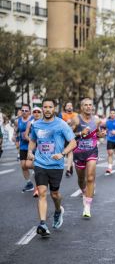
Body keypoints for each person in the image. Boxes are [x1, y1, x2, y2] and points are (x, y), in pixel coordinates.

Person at [27, 99, 76, 237]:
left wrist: (62, 154)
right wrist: (30, 152)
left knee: (55, 194)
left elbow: (73, 142)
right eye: (45, 107)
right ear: (42, 108)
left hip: (56, 165)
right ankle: (42, 223)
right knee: (42, 192)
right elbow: (32, 140)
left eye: (50, 107)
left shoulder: (61, 124)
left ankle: (58, 210)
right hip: (40, 163)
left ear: (54, 108)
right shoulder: (36, 125)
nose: (47, 109)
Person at [70, 98, 105, 218]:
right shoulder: (76, 119)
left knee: (90, 177)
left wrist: (101, 135)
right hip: (79, 152)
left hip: (92, 151)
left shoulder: (97, 120)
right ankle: (84, 191)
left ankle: (87, 207)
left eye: (90, 105)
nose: (88, 107)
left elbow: (98, 133)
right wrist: (80, 133)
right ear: (81, 107)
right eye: (86, 105)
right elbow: (68, 135)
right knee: (81, 179)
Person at [13, 104, 34, 192]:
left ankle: (41, 169)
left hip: (32, 145)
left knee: (28, 164)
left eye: (26, 110)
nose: (24, 112)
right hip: (22, 146)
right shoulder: (18, 121)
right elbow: (16, 131)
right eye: (23, 110)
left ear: (29, 111)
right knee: (23, 166)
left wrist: (29, 138)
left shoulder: (33, 119)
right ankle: (29, 184)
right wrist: (16, 140)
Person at [24, 106, 43, 197]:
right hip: (33, 148)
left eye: (38, 112)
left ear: (41, 113)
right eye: (34, 112)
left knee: (38, 169)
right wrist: (32, 141)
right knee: (27, 164)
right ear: (32, 113)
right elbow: (26, 135)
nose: (36, 113)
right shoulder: (30, 123)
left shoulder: (44, 122)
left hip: (42, 149)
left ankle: (37, 189)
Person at [60, 102, 78, 177]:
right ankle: (69, 167)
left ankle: (68, 170)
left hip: (73, 136)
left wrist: (73, 125)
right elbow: (58, 124)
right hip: (63, 136)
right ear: (65, 107)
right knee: (65, 153)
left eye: (71, 105)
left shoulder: (76, 115)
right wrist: (66, 123)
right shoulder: (62, 115)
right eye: (68, 106)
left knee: (70, 152)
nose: (70, 107)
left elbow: (77, 124)